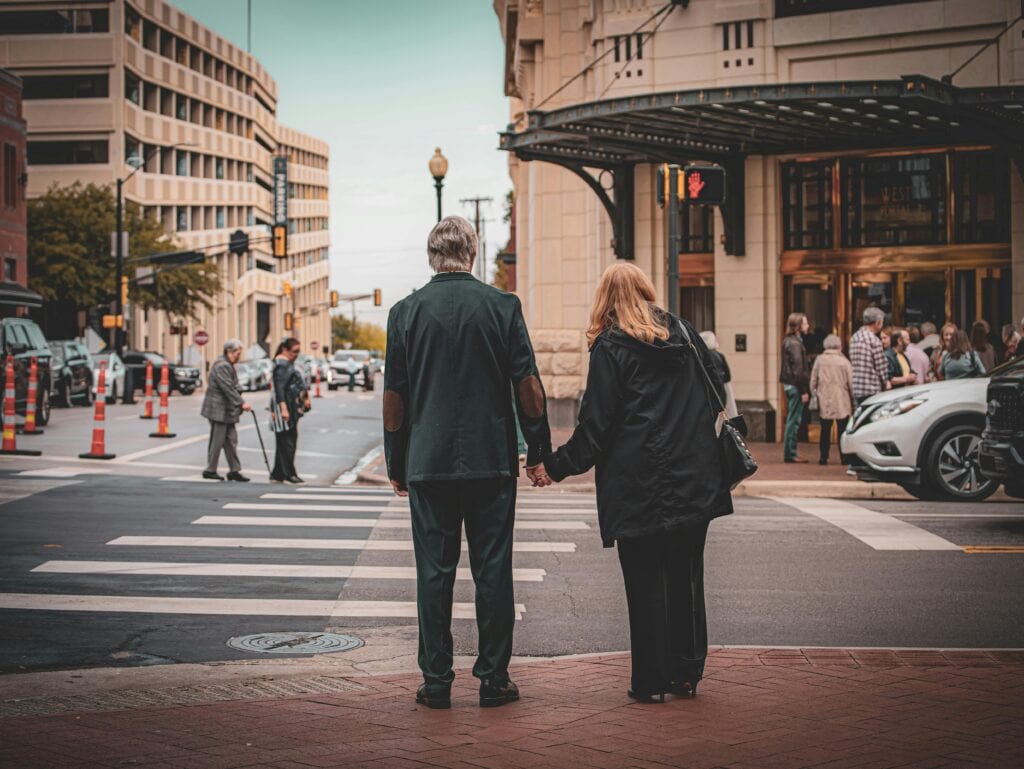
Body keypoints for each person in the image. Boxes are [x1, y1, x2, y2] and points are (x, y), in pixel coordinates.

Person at [531, 262, 731, 703]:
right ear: (646, 290)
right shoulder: (684, 332)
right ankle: (686, 672)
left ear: (604, 299)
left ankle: (651, 680)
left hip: (639, 482)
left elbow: (596, 427)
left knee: (644, 582)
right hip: (694, 477)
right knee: (687, 577)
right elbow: (716, 389)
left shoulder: (610, 346)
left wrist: (554, 466)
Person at [383, 215, 551, 711]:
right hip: (490, 462)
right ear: (472, 254)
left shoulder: (404, 313)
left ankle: (436, 681)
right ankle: (494, 679)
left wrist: (397, 461)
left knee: (433, 573)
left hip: (428, 463)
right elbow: (529, 388)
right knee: (493, 570)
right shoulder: (502, 306)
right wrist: (536, 451)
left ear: (432, 256)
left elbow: (395, 396)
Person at [200, 339, 252, 481]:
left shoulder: (227, 365)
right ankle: (210, 469)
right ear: (229, 351)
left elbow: (232, 386)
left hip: (225, 410)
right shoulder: (222, 366)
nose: (238, 357)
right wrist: (242, 403)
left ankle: (234, 470)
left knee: (230, 440)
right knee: (218, 440)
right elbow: (228, 388)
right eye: (237, 354)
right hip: (219, 410)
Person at [809, 334, 854, 466]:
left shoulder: (820, 360)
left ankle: (823, 457)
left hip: (825, 398)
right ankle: (844, 458)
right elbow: (851, 383)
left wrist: (814, 393)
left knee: (825, 430)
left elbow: (813, 380)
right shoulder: (844, 362)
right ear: (839, 346)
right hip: (842, 399)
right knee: (842, 430)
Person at [270, 337, 309, 483]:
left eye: (298, 351)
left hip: (289, 406)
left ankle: (278, 473)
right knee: (287, 441)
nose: (297, 354)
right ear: (285, 350)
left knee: (285, 441)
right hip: (285, 407)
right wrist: (284, 408)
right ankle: (289, 473)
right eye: (294, 351)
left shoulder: (286, 364)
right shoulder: (282, 365)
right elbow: (279, 389)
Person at [779, 312, 810, 463]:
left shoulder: (789, 341)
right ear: (798, 326)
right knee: (794, 420)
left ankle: (790, 452)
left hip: (790, 384)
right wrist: (804, 390)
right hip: (795, 385)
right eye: (805, 323)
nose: (808, 325)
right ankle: (790, 453)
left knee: (793, 419)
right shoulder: (795, 343)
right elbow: (798, 369)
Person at [850, 307, 889, 406]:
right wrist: (885, 382)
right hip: (872, 388)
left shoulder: (854, 337)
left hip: (857, 386)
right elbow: (881, 367)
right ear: (878, 322)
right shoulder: (873, 340)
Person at [699, 330, 737, 418]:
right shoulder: (720, 356)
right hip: (720, 394)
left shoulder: (701, 357)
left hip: (706, 396)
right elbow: (727, 377)